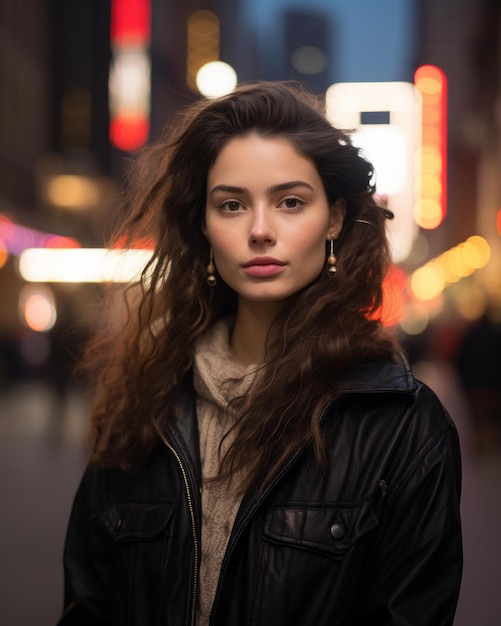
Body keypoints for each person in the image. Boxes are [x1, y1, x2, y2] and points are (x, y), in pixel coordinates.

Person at [57, 81, 462, 625]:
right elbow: (89, 605)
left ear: (335, 218)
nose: (260, 230)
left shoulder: (403, 427)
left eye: (290, 202)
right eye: (231, 205)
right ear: (202, 224)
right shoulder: (144, 405)